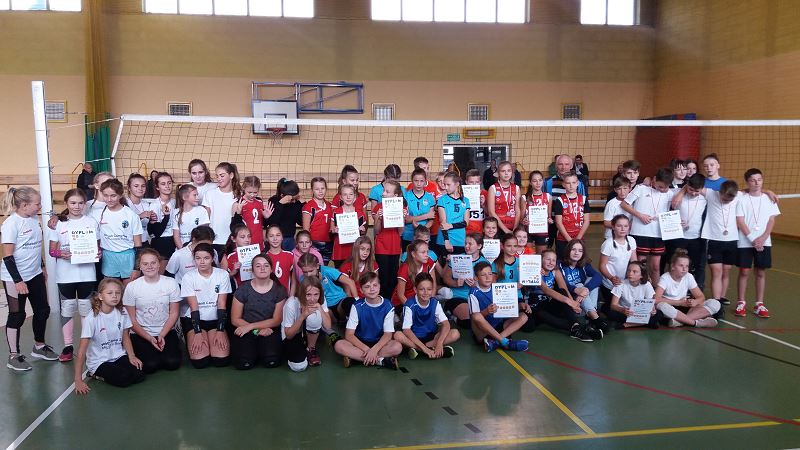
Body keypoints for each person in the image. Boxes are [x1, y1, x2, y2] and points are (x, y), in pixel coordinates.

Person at [3, 186, 57, 371]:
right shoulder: (11, 224)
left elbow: (35, 246)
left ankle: (39, 347)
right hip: (14, 277)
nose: (39, 206)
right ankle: (14, 356)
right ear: (24, 205)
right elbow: (7, 257)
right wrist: (18, 281)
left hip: (34, 274)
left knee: (42, 310)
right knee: (17, 315)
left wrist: (42, 266)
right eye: (37, 204)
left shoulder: (34, 219)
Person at [49, 189, 99, 362]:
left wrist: (98, 253)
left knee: (86, 310)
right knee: (68, 309)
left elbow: (98, 247)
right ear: (66, 203)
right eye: (73, 203)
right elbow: (52, 251)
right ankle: (68, 346)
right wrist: (60, 253)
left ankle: (86, 345)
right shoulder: (59, 224)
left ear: (85, 204)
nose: (77, 206)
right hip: (65, 275)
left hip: (87, 274)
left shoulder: (91, 222)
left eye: (80, 203)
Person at [674, 179, 740, 306]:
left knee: (726, 270)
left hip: (731, 240)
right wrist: (681, 193)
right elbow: (692, 185)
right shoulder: (711, 194)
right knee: (716, 271)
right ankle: (716, 301)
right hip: (714, 239)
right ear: (720, 192)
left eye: (729, 200)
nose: (726, 201)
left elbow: (751, 191)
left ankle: (722, 297)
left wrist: (768, 191)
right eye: (724, 198)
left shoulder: (739, 197)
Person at [74, 278, 144, 393]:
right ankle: (93, 374)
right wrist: (78, 380)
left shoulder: (122, 312)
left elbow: (125, 337)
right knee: (124, 379)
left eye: (118, 293)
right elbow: (81, 350)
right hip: (99, 361)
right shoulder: (91, 318)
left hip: (118, 355)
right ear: (100, 296)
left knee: (139, 374)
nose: (114, 296)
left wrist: (132, 356)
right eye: (110, 293)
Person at [123, 249, 183, 374]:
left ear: (159, 264)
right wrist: (149, 338)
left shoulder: (171, 283)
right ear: (140, 266)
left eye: (153, 263)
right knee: (150, 365)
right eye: (145, 264)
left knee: (172, 363)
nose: (149, 266)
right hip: (142, 333)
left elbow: (174, 313)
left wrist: (162, 335)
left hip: (166, 331)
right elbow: (131, 319)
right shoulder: (132, 287)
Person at [735, 168, 780, 318]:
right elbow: (740, 220)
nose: (757, 183)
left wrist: (763, 238)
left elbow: (771, 220)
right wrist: (752, 239)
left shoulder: (769, 198)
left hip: (764, 241)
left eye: (759, 179)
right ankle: (741, 302)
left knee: (760, 272)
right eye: (753, 180)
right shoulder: (741, 198)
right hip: (745, 241)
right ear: (747, 182)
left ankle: (759, 304)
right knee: (744, 271)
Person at [230, 253, 287, 370]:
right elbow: (235, 319)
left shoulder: (279, 290)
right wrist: (256, 330)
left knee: (271, 360)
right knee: (244, 363)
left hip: (269, 329)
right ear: (252, 270)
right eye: (258, 266)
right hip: (246, 328)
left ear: (271, 269)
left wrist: (253, 327)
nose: (262, 268)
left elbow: (277, 320)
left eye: (266, 265)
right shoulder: (243, 289)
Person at [333, 272, 401, 369]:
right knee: (339, 345)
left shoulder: (388, 306)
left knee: (397, 347)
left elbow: (387, 334)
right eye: (367, 286)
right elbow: (349, 335)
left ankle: (357, 358)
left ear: (379, 286)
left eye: (375, 285)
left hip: (379, 343)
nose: (372, 289)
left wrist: (374, 349)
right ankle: (380, 361)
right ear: (361, 290)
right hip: (360, 343)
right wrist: (368, 350)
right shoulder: (357, 306)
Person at [180, 243, 232, 369]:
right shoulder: (188, 277)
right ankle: (201, 336)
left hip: (216, 321)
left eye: (206, 258)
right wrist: (197, 332)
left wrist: (220, 330)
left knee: (221, 361)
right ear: (194, 259)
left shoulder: (222, 274)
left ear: (212, 258)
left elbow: (222, 304)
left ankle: (213, 336)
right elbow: (194, 307)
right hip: (195, 321)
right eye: (198, 258)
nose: (202, 262)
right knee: (200, 362)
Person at [621, 167, 675, 287]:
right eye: (660, 186)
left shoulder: (670, 194)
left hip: (658, 234)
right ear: (654, 179)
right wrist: (640, 215)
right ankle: (638, 289)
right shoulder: (641, 188)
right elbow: (624, 204)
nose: (663, 190)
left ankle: (656, 293)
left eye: (666, 187)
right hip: (640, 232)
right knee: (640, 264)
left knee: (655, 266)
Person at [526, 249, 594, 342]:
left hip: (548, 304)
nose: (551, 262)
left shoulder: (555, 271)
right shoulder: (535, 271)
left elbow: (564, 288)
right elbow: (546, 290)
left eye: (553, 260)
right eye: (548, 259)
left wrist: (573, 303)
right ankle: (580, 327)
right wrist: (569, 302)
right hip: (534, 306)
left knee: (561, 291)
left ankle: (576, 327)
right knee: (538, 313)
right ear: (541, 260)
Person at [394, 273, 459, 359]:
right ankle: (427, 350)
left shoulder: (435, 303)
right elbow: (406, 331)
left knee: (455, 333)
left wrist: (439, 343)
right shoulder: (409, 304)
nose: (426, 293)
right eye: (422, 289)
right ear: (415, 289)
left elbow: (446, 324)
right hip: (413, 338)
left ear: (432, 290)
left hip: (431, 337)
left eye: (429, 289)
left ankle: (419, 351)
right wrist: (425, 349)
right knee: (398, 335)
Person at [468, 262, 529, 352]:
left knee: (523, 317)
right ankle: (505, 342)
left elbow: (508, 307)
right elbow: (475, 319)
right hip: (482, 331)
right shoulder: (473, 292)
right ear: (476, 278)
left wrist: (520, 306)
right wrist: (487, 311)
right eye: (483, 275)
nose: (488, 277)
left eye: (490, 274)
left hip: (498, 326)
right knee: (476, 316)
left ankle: (495, 342)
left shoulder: (497, 288)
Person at [655, 249, 720, 328]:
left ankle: (680, 321)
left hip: (685, 307)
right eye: (681, 266)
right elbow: (656, 299)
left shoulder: (689, 276)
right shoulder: (665, 278)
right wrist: (679, 303)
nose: (684, 269)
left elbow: (701, 297)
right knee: (661, 306)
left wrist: (695, 301)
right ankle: (695, 323)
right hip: (671, 308)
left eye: (687, 266)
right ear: (672, 266)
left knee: (715, 303)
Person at [97, 179, 144, 282]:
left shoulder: (131, 215)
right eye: (105, 195)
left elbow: (138, 245)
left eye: (113, 196)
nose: (109, 199)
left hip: (128, 257)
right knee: (110, 289)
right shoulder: (99, 214)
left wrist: (137, 268)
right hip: (108, 257)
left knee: (129, 290)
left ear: (120, 195)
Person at [283, 276, 332, 371]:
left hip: (310, 332)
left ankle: (311, 349)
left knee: (315, 315)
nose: (312, 299)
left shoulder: (320, 300)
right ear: (302, 293)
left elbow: (328, 327)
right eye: (308, 294)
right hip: (293, 334)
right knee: (299, 366)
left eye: (316, 294)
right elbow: (288, 335)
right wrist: (303, 316)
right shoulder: (291, 303)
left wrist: (320, 308)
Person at [667, 173, 707, 289]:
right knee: (675, 263)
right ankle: (672, 288)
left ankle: (693, 290)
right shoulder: (677, 194)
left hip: (696, 238)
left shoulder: (705, 198)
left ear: (702, 189)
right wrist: (682, 191)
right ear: (687, 185)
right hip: (678, 236)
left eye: (697, 191)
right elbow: (670, 207)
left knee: (694, 265)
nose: (693, 193)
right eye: (690, 189)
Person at [559, 239, 607, 336]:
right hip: (571, 303)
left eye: (580, 251)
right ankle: (595, 318)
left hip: (583, 302)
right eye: (573, 249)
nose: (576, 253)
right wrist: (576, 289)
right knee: (579, 285)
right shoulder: (559, 264)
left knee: (592, 281)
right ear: (568, 250)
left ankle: (592, 316)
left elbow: (598, 277)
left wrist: (585, 290)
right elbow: (561, 284)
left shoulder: (584, 265)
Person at [441, 232, 487, 329]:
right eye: (465, 243)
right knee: (469, 322)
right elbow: (446, 278)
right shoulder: (457, 258)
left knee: (485, 319)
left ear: (479, 246)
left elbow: (489, 285)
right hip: (458, 296)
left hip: (477, 298)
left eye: (470, 244)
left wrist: (476, 285)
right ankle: (452, 315)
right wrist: (456, 283)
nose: (466, 246)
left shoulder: (485, 262)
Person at [297, 252, 358, 323]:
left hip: (340, 302)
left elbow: (350, 282)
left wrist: (357, 301)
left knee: (350, 303)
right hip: (324, 307)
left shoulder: (328, 271)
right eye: (305, 272)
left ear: (317, 266)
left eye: (311, 271)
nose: (308, 274)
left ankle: (349, 322)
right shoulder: (302, 279)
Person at [372, 180, 406, 299]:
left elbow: (400, 232)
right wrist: (378, 218)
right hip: (381, 247)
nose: (383, 193)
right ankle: (382, 301)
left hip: (395, 247)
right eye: (384, 190)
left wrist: (402, 218)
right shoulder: (378, 207)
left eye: (387, 191)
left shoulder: (401, 207)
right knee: (383, 277)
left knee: (393, 278)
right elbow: (376, 231)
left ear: (395, 195)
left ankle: (391, 303)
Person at [544, 155, 587, 247]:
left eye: (566, 164)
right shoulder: (548, 182)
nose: (563, 167)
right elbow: (543, 202)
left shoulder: (579, 184)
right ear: (556, 166)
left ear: (571, 166)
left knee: (570, 249)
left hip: (572, 224)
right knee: (548, 248)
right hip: (551, 222)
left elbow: (582, 204)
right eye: (560, 164)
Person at [598, 215, 637, 309]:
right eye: (619, 226)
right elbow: (602, 266)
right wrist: (611, 278)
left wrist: (641, 274)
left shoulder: (631, 240)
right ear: (613, 227)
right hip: (610, 283)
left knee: (629, 307)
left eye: (626, 226)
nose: (623, 229)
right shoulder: (608, 244)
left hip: (625, 282)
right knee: (613, 309)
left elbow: (634, 262)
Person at [203, 162, 241, 257]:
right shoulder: (210, 194)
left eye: (222, 175)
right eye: (217, 176)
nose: (219, 178)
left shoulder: (239, 195)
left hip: (232, 241)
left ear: (231, 175)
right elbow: (206, 219)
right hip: (214, 241)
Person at [607, 261, 658, 328]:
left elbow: (650, 304)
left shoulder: (647, 285)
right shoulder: (620, 284)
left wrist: (652, 310)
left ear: (641, 275)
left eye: (634, 271)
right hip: (625, 312)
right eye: (629, 270)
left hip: (640, 313)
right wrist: (623, 310)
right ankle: (644, 323)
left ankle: (628, 325)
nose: (630, 273)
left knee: (659, 314)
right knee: (610, 313)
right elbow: (613, 305)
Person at [552, 171, 590, 257]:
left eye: (573, 182)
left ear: (577, 183)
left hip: (579, 238)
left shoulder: (583, 199)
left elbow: (587, 221)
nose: (571, 185)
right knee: (562, 260)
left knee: (578, 261)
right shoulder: (560, 200)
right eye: (568, 183)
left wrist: (577, 239)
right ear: (563, 184)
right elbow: (558, 222)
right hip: (563, 238)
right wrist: (569, 240)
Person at [330, 184, 368, 268]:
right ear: (341, 197)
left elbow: (363, 233)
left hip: (354, 249)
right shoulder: (336, 212)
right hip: (340, 250)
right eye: (345, 194)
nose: (348, 197)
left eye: (351, 194)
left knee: (354, 272)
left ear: (355, 197)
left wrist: (362, 230)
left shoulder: (360, 214)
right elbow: (331, 230)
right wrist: (334, 230)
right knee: (339, 273)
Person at [233, 175, 273, 251]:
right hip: (245, 244)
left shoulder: (259, 202)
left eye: (255, 192)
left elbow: (262, 224)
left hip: (259, 242)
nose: (252, 195)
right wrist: (238, 212)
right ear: (244, 188)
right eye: (249, 192)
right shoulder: (238, 203)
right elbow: (234, 226)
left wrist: (266, 218)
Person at [394, 240, 436, 310]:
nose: (426, 255)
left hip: (422, 298)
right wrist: (414, 309)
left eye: (427, 252)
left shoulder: (429, 261)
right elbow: (400, 295)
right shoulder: (405, 268)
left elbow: (433, 285)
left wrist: (430, 304)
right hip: (403, 302)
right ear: (413, 254)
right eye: (423, 252)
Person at [436, 171, 470, 258]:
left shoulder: (465, 200)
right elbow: (443, 223)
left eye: (448, 185)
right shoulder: (442, 200)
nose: (445, 187)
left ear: (457, 184)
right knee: (445, 265)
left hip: (460, 240)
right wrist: (446, 241)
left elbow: (466, 223)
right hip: (444, 241)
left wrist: (451, 225)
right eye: (444, 184)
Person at [403, 168, 437, 250]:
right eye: (416, 181)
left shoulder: (430, 197)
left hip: (424, 236)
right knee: (408, 256)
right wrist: (426, 216)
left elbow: (431, 219)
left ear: (425, 181)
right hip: (408, 235)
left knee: (423, 255)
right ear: (412, 180)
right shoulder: (405, 196)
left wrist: (421, 229)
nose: (418, 184)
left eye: (421, 181)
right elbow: (406, 219)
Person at [487, 161, 523, 235]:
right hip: (498, 228)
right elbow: (491, 212)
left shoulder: (516, 188)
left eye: (509, 171)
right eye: (503, 171)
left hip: (513, 226)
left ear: (512, 172)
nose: (506, 173)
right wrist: (506, 230)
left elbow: (518, 210)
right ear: (498, 173)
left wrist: (515, 229)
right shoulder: (493, 188)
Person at [302, 176, 333, 264]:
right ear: (312, 190)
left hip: (328, 243)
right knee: (314, 267)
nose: (320, 191)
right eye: (317, 189)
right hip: (314, 244)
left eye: (322, 188)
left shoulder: (330, 206)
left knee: (324, 268)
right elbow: (305, 230)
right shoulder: (308, 207)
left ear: (326, 189)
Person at [266, 178, 303, 251]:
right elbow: (272, 222)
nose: (294, 201)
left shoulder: (296, 203)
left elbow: (300, 222)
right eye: (291, 199)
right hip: (275, 238)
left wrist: (303, 204)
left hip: (290, 238)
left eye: (295, 198)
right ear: (282, 196)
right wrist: (280, 204)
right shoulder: (273, 201)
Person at [147, 172, 177, 260]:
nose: (167, 186)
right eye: (163, 184)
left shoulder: (175, 202)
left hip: (175, 240)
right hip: (161, 242)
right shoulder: (154, 205)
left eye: (169, 183)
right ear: (157, 187)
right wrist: (166, 216)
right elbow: (157, 233)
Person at [172, 184, 211, 249]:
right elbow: (176, 236)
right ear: (184, 197)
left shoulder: (201, 210)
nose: (197, 198)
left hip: (198, 249)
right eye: (194, 195)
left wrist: (195, 250)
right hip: (182, 249)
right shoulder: (176, 212)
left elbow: (203, 234)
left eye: (197, 195)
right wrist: (183, 250)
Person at [522, 170, 551, 253]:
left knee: (541, 256)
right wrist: (524, 221)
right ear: (530, 183)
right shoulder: (524, 198)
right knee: (528, 257)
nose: (538, 183)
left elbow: (549, 217)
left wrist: (549, 220)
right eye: (535, 181)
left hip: (542, 231)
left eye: (540, 180)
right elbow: (521, 218)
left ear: (543, 181)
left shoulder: (548, 197)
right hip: (528, 231)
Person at [125, 173, 155, 249]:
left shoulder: (146, 204)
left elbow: (149, 228)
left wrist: (152, 221)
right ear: (129, 188)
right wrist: (139, 217)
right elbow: (122, 225)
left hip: (144, 242)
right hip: (129, 244)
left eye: (143, 186)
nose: (140, 188)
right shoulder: (124, 204)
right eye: (136, 186)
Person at [220, 223, 252, 289]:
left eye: (249, 236)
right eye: (242, 237)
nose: (247, 240)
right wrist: (233, 272)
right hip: (238, 291)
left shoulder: (256, 253)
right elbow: (221, 280)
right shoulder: (227, 256)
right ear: (233, 239)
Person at [265, 224, 294, 295]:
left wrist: (291, 296)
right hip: (268, 297)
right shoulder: (263, 257)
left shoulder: (290, 256)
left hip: (285, 296)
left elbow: (294, 280)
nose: (275, 239)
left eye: (278, 235)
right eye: (271, 236)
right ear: (267, 238)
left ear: (282, 237)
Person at [464, 169, 487, 235]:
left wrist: (483, 205)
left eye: (476, 182)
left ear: (480, 182)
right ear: (466, 182)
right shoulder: (461, 195)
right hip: (466, 230)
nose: (474, 184)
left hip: (480, 230)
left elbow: (490, 213)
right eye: (471, 182)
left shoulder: (485, 194)